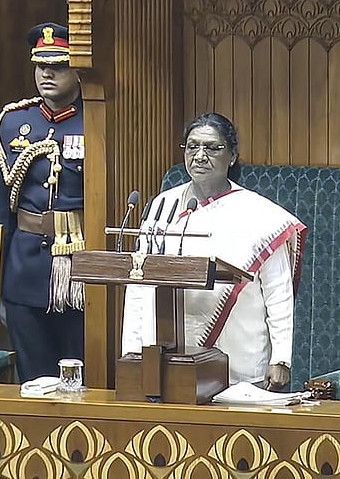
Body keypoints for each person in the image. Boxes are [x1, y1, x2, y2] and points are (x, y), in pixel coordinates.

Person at [121, 113, 307, 390]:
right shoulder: (162, 206)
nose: (199, 156)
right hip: (166, 357)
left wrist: (280, 358)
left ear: (232, 156)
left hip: (239, 356)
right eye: (192, 146)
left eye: (212, 148)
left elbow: (278, 292)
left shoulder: (261, 215)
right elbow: (139, 285)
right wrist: (132, 349)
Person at [0, 22, 86, 383]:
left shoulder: (97, 120)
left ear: (77, 71)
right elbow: (2, 210)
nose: (47, 73)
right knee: (32, 380)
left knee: (81, 377)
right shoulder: (12, 123)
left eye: (58, 66)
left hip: (79, 268)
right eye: (41, 65)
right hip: (25, 266)